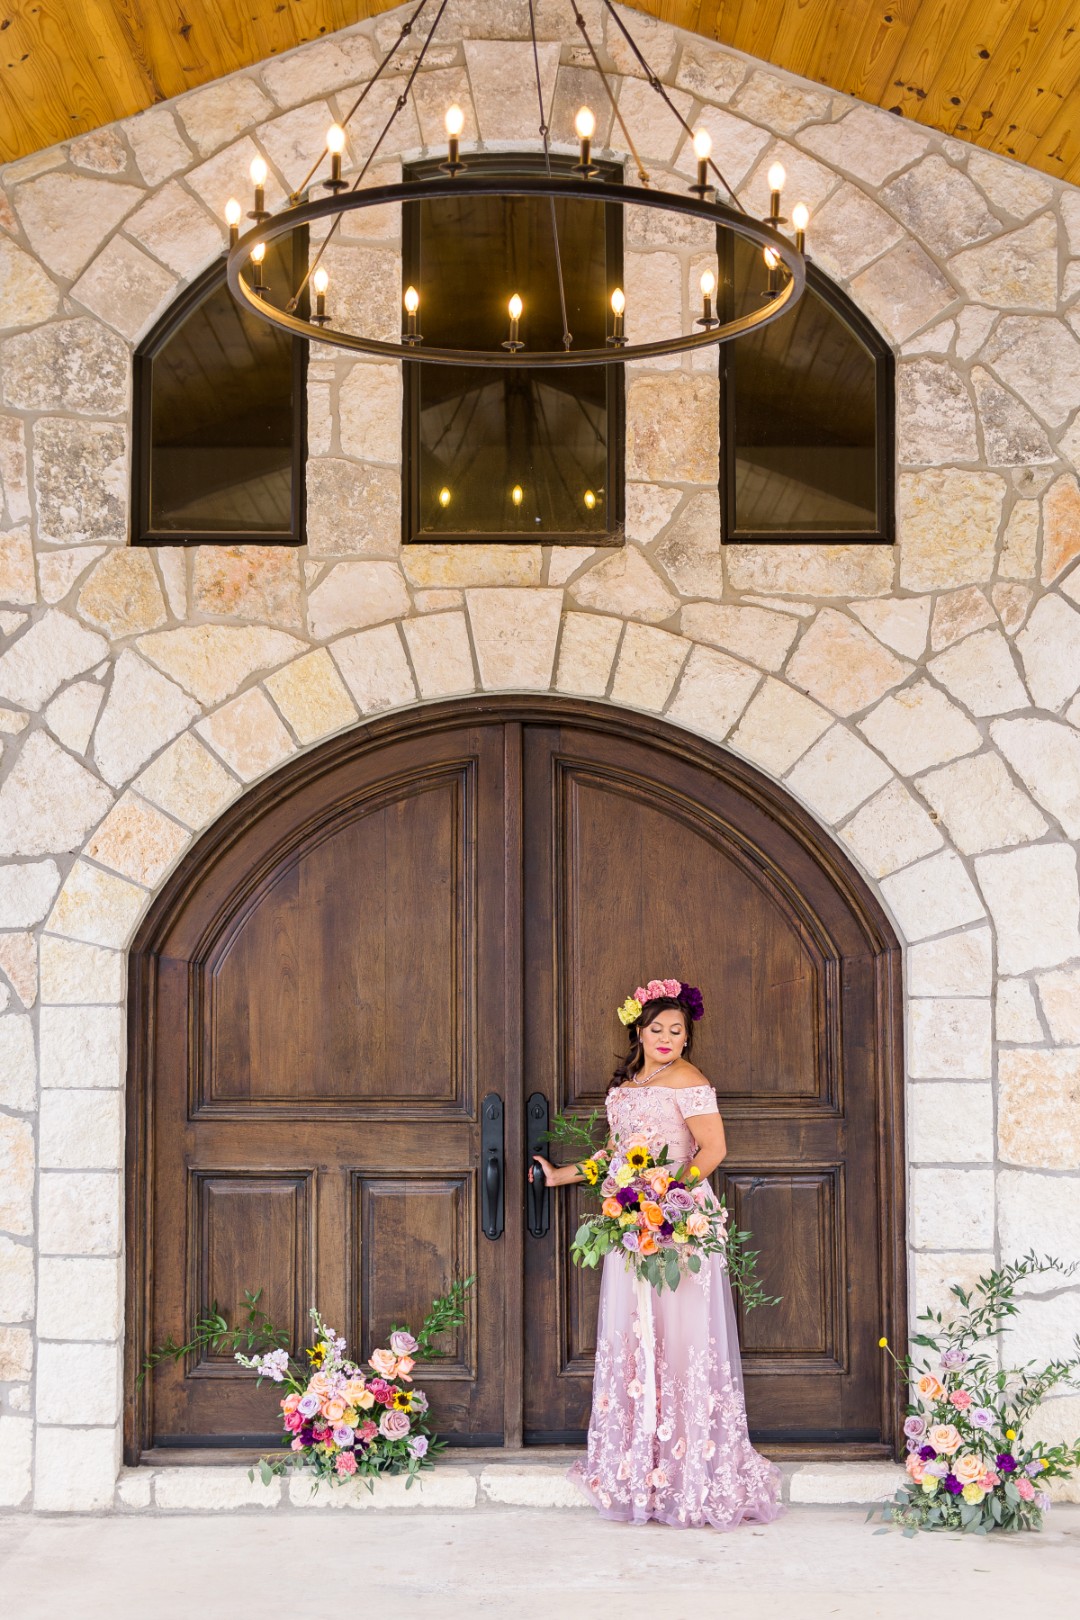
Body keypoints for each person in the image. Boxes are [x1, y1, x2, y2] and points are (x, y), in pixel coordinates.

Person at [530, 977, 783, 1530]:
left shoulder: (690, 1080)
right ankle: (642, 1466)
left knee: (683, 1336)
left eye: (677, 1030)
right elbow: (618, 1156)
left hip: (681, 1222)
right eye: (656, 1028)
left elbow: (713, 1148)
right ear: (639, 1032)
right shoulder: (627, 1085)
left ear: (687, 1039)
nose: (667, 1037)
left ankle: (691, 1472)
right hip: (633, 1220)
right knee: (637, 1336)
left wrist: (669, 1194)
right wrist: (562, 1176)